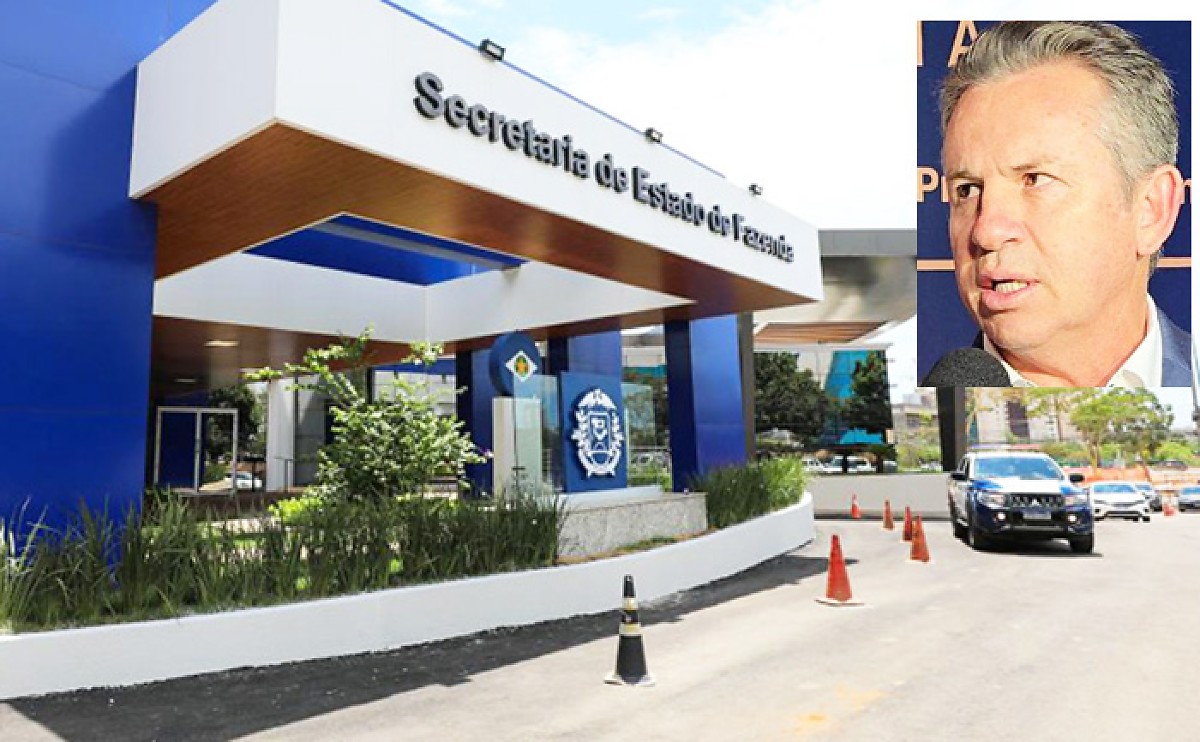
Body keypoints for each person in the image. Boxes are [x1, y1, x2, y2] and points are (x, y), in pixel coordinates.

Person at [936, 21, 1190, 387]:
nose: (986, 231)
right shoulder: (915, 411)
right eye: (968, 189)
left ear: (1151, 209)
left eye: (1035, 180)